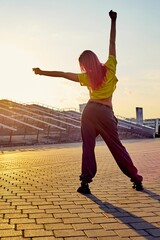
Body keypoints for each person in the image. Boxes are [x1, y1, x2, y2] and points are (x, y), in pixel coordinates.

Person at [33, 10, 143, 194]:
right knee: (117, 148)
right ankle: (136, 180)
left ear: (85, 64)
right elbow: (112, 42)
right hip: (105, 113)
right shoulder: (110, 67)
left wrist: (42, 72)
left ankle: (85, 184)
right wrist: (113, 21)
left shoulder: (87, 77)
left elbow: (63, 74)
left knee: (88, 148)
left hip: (90, 112)